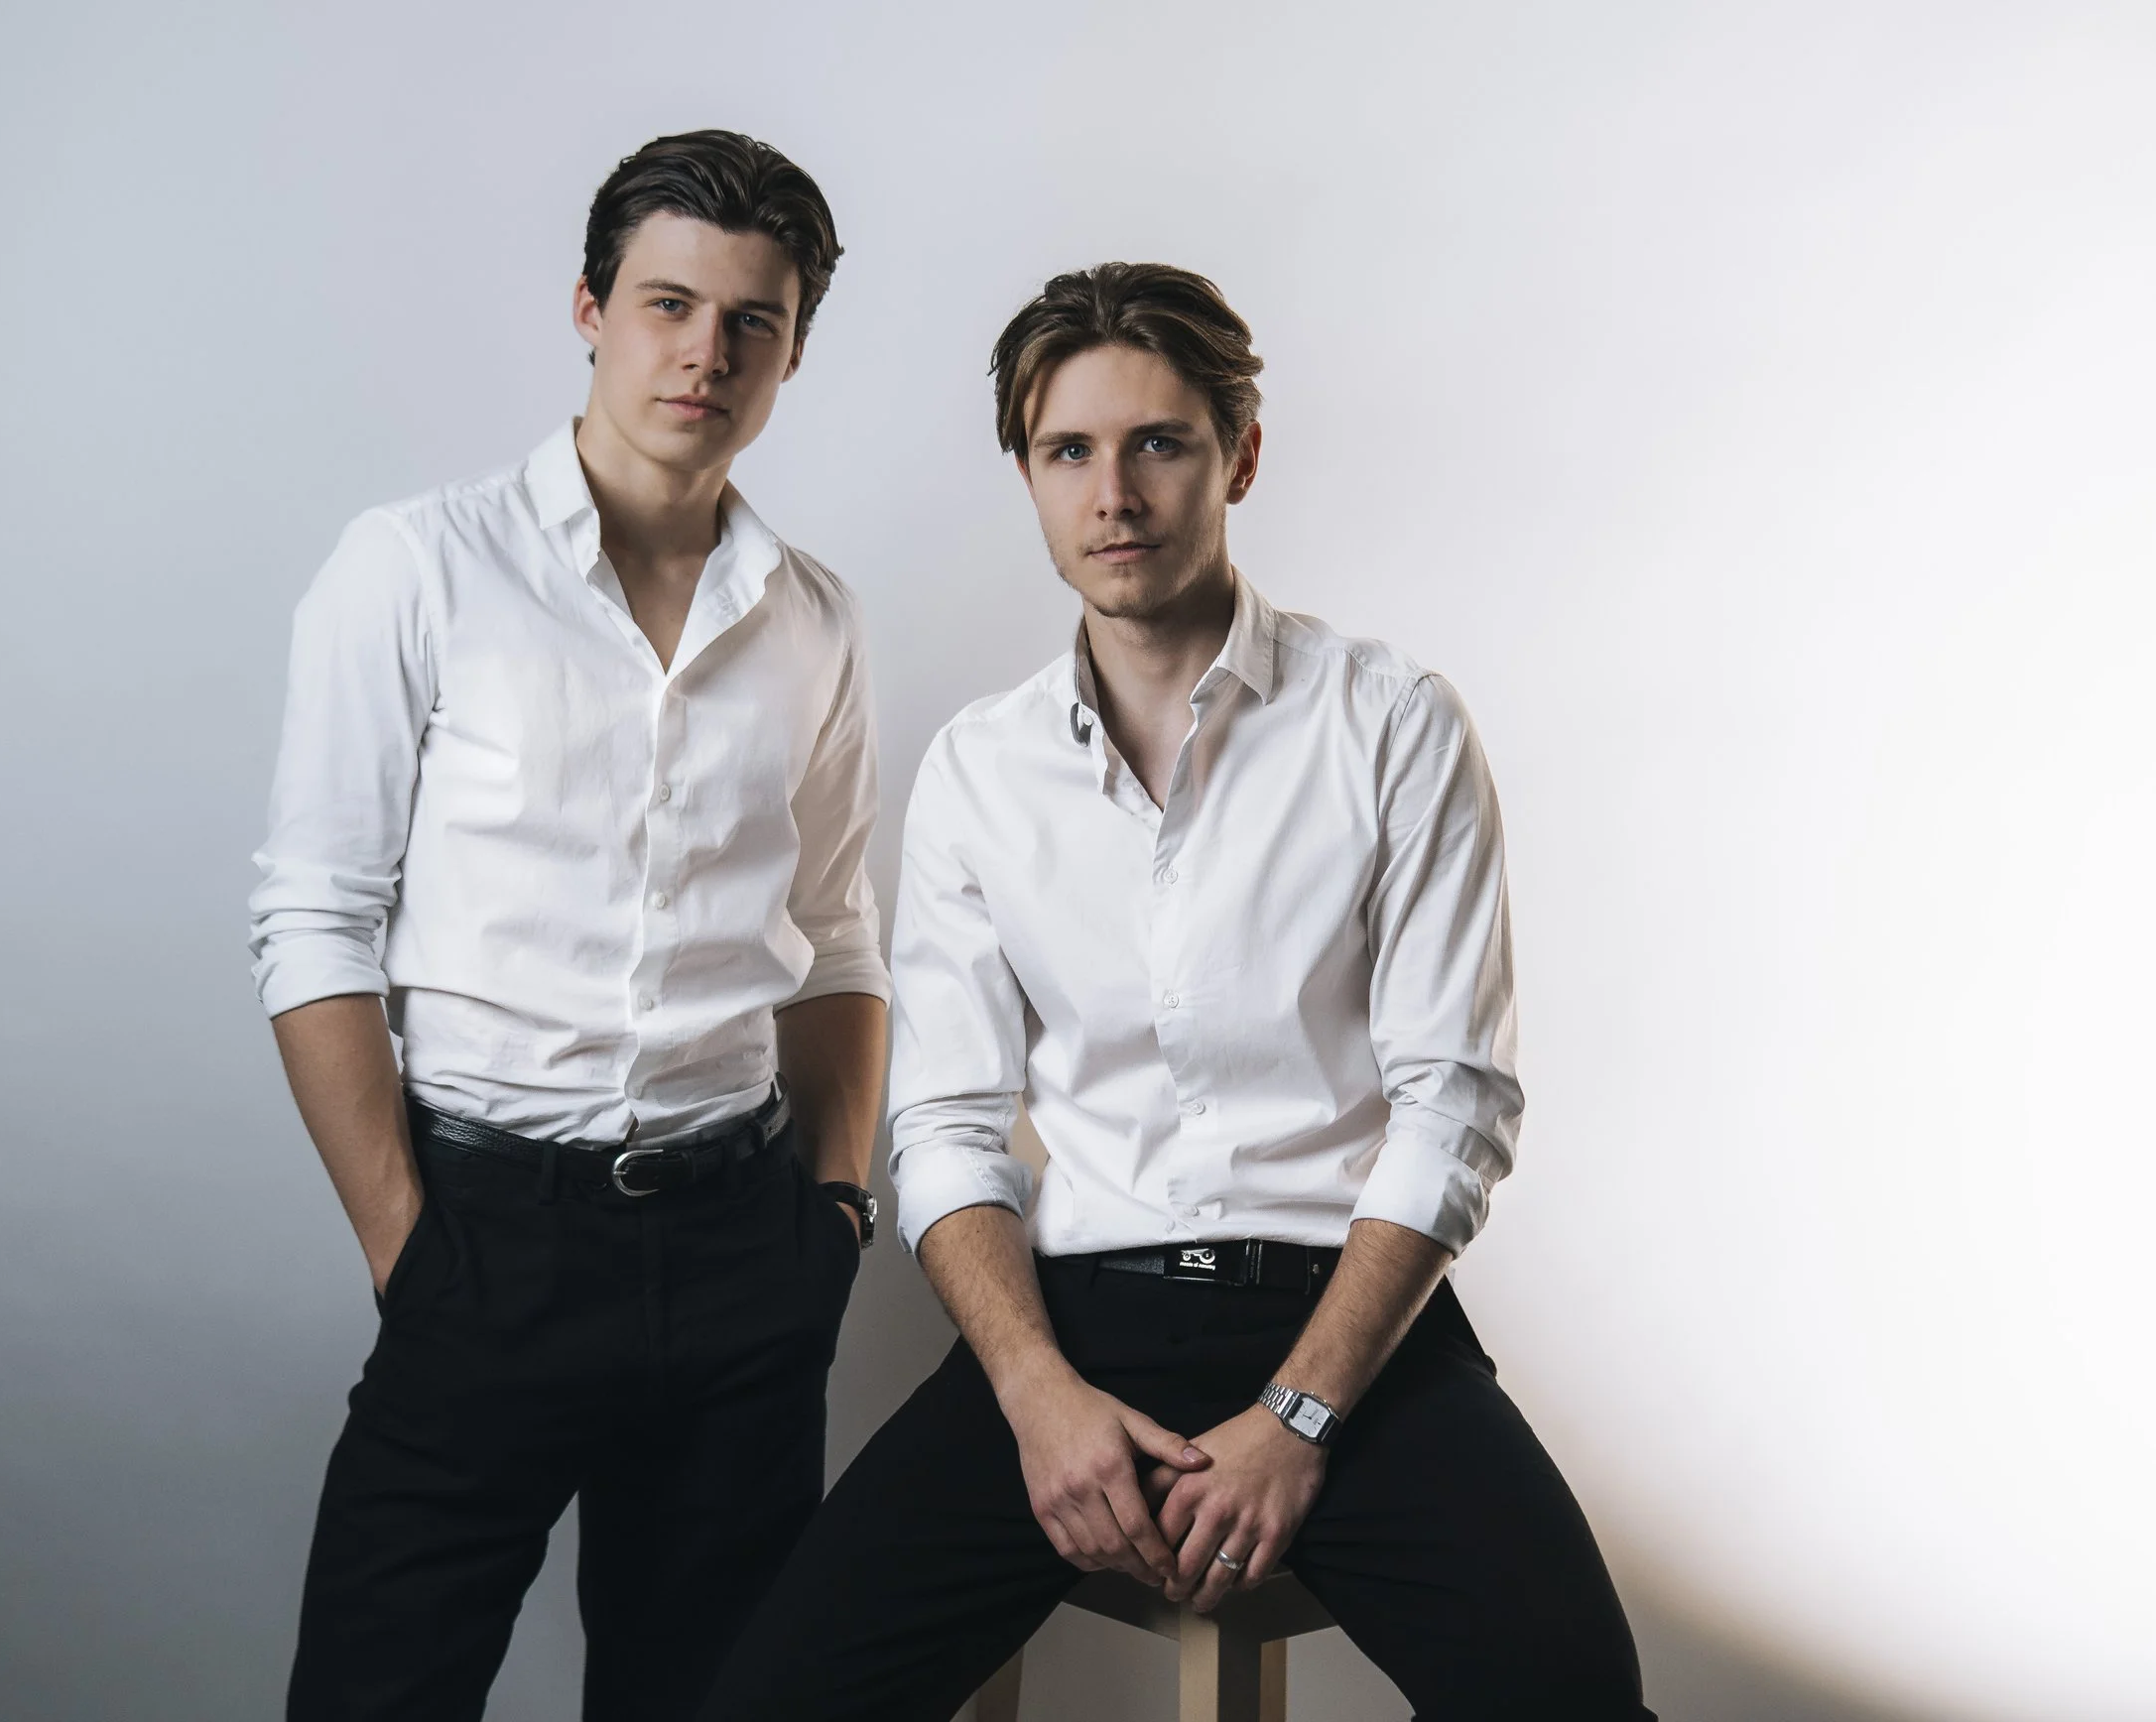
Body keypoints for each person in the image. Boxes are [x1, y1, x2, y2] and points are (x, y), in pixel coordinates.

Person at [698, 262, 1653, 1720]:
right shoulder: (978, 769)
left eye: (1159, 443)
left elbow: (1451, 1107)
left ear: (1239, 457)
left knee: (1573, 1697)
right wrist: (1033, 1396)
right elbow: (948, 1128)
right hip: (1073, 1334)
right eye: (1069, 451)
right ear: (1025, 472)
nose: (1114, 495)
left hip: (1349, 1329)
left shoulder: (1390, 724)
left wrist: (1301, 1415)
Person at [248, 129, 889, 1722]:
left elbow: (839, 934)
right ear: (589, 308)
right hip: (487, 1245)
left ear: (795, 348)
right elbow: (315, 923)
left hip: (744, 1248)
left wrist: (833, 1217)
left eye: (754, 319)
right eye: (670, 303)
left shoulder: (814, 617)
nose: (707, 352)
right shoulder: (415, 569)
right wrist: (412, 1251)